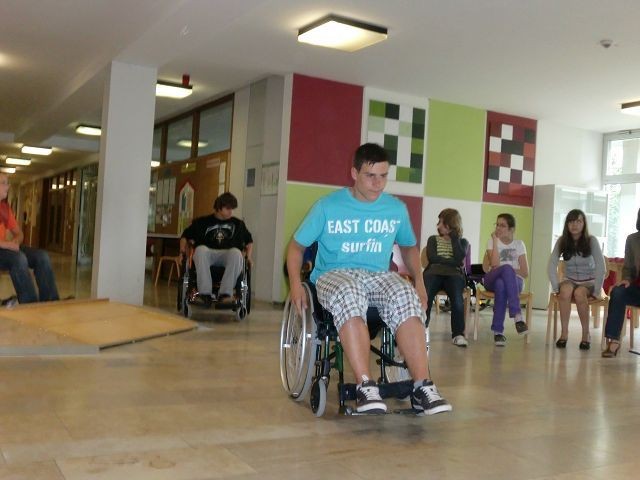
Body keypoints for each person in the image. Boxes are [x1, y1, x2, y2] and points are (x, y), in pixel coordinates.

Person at [286, 143, 452, 416]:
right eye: (370, 176)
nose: (378, 183)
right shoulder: (327, 206)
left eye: (383, 176)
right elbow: (295, 247)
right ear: (354, 173)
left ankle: (423, 386)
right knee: (350, 292)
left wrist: (419, 283)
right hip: (334, 275)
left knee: (404, 294)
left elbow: (408, 247)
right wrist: (295, 283)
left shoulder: (395, 209)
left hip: (377, 275)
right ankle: (366, 385)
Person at [180, 192, 253, 307]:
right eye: (228, 208)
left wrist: (249, 257)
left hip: (228, 254)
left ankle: (225, 294)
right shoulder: (202, 222)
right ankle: (205, 294)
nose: (231, 212)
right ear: (219, 207)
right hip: (208, 253)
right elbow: (185, 237)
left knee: (236, 253)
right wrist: (182, 253)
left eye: (232, 209)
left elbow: (249, 241)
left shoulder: (238, 224)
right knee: (200, 250)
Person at [548, 209, 606, 350]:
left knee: (579, 293)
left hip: (590, 281)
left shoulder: (591, 241)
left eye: (578, 221)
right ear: (567, 224)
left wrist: (597, 290)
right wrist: (556, 287)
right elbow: (551, 264)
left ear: (584, 223)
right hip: (570, 279)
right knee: (565, 291)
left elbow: (601, 266)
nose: (574, 225)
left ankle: (586, 334)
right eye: (571, 222)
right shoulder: (562, 241)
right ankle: (564, 333)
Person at [0, 173, 60, 304]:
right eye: (4, 183)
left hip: (5, 248)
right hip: (3, 248)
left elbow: (19, 233)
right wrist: (8, 245)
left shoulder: (4, 208)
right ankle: (29, 304)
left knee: (42, 256)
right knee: (19, 258)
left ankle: (51, 301)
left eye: (8, 183)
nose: (8, 186)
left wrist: (16, 240)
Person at [421, 208, 469, 347]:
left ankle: (458, 334)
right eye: (439, 222)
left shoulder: (462, 242)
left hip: (454, 275)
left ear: (451, 224)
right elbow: (433, 258)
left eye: (442, 222)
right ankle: (422, 329)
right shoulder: (433, 239)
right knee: (426, 296)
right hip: (433, 272)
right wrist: (452, 262)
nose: (439, 225)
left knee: (457, 299)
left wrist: (454, 238)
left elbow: (459, 259)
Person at [482, 213, 529, 346]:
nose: (498, 228)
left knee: (501, 284)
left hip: (515, 282)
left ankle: (498, 332)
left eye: (502, 225)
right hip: (492, 278)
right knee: (506, 269)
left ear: (511, 229)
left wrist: (507, 272)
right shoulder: (492, 241)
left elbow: (525, 272)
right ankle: (517, 316)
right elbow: (495, 265)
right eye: (497, 224)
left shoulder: (519, 244)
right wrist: (495, 241)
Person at [602, 208, 640, 358]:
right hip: (637, 289)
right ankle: (614, 340)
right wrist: (626, 279)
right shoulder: (632, 239)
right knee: (618, 291)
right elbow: (628, 267)